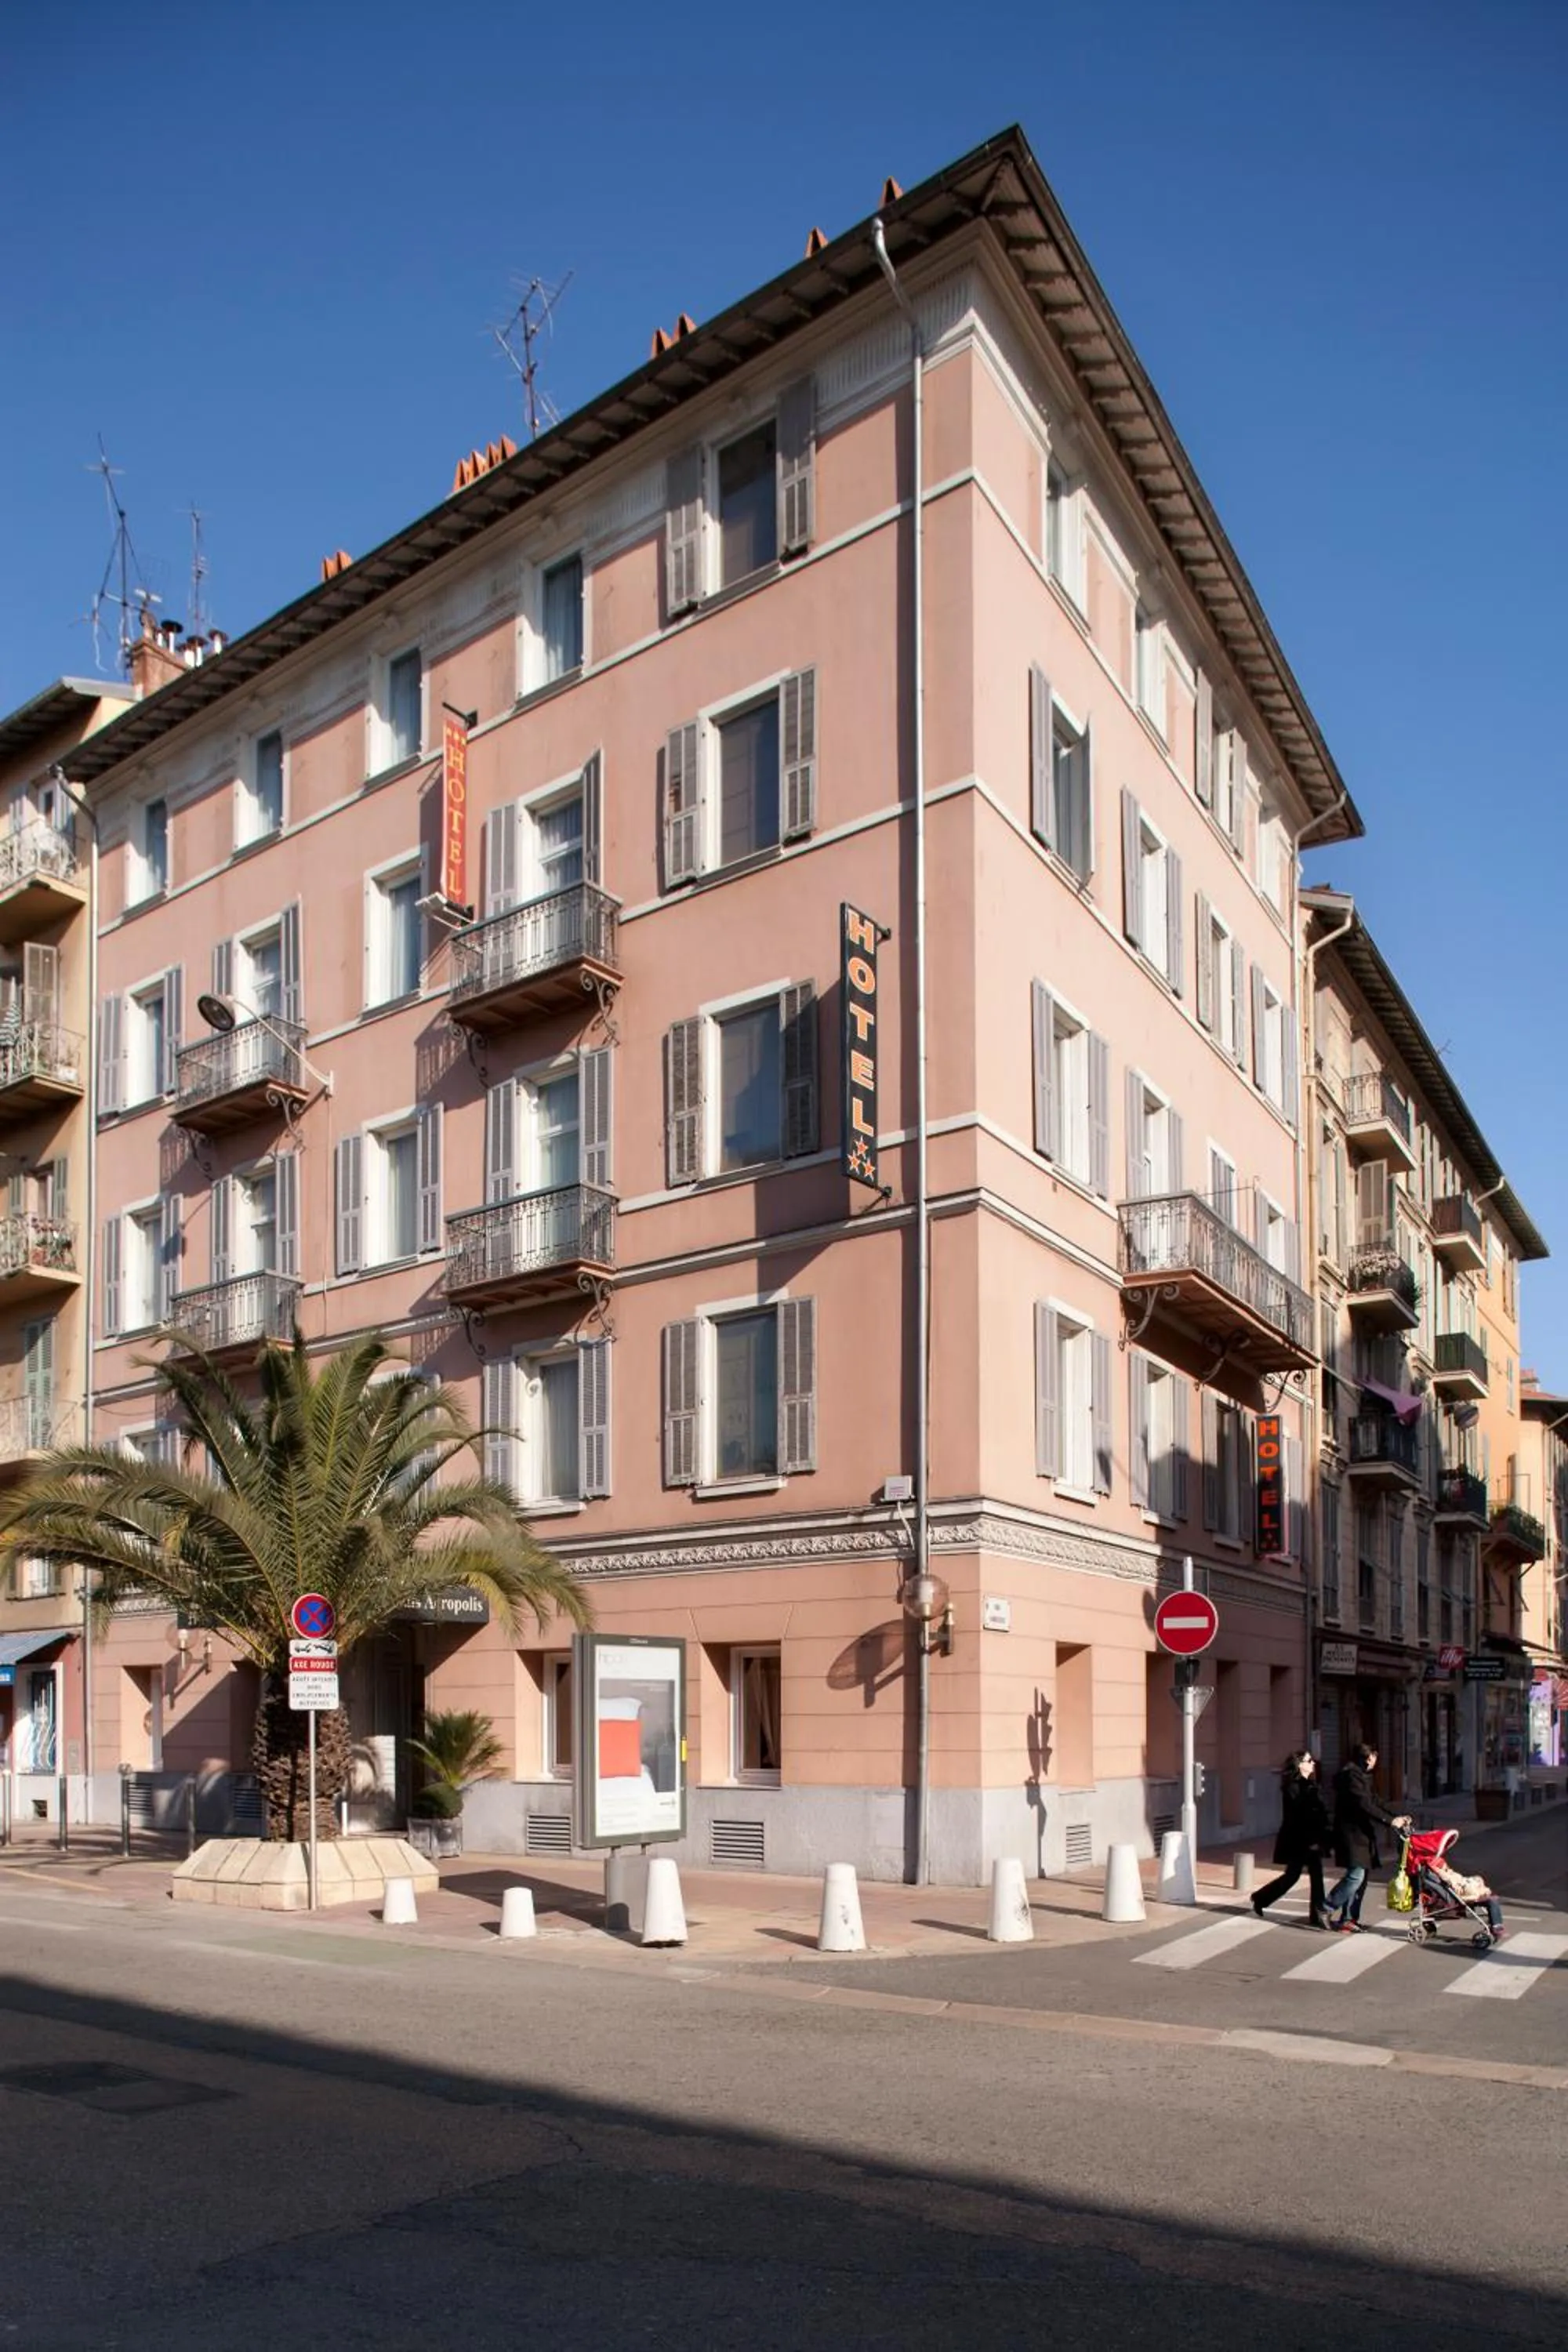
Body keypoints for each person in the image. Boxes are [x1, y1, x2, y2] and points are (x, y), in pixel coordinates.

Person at [1323, 1744, 1410, 1932]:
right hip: (1352, 1833)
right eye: (1373, 1760)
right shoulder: (1351, 1776)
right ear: (1368, 1758)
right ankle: (1326, 1907)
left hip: (1362, 1834)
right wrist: (1389, 1821)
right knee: (1356, 1876)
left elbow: (1374, 1800)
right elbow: (1364, 1804)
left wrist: (1397, 1815)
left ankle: (1349, 1918)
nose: (1374, 1764)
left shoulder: (1361, 1776)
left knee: (1361, 1879)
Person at [1250, 1750, 1333, 1927]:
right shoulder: (1294, 1787)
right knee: (1292, 1877)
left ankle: (1317, 1914)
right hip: (1300, 1840)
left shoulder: (1309, 1784)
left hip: (1310, 1838)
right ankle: (1261, 1898)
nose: (1313, 1763)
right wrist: (1312, 1838)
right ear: (1300, 1765)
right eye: (1309, 1761)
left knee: (1315, 1875)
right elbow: (1301, 1815)